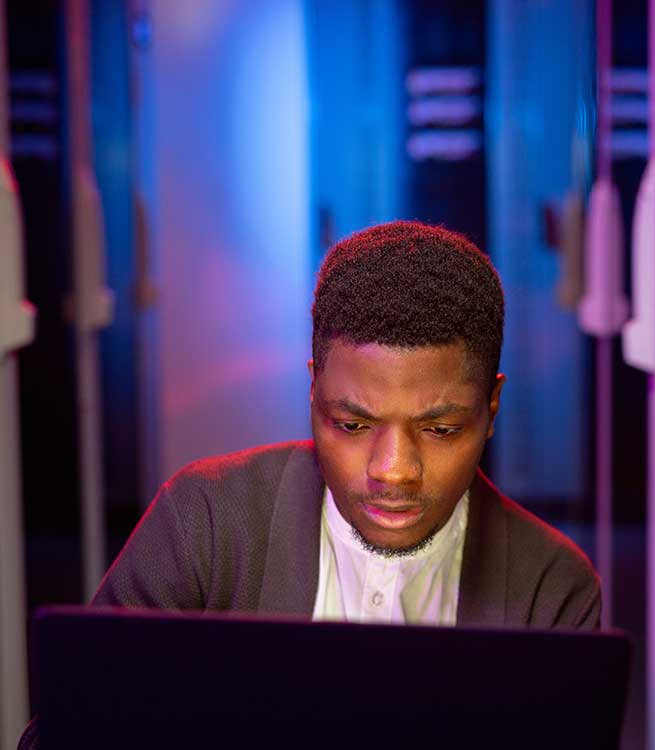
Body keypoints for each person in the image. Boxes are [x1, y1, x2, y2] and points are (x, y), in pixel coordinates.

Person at [93, 220, 599, 626]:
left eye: (440, 430)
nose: (394, 471)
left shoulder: (550, 589)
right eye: (353, 426)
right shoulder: (205, 524)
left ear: (491, 408)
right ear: (314, 392)